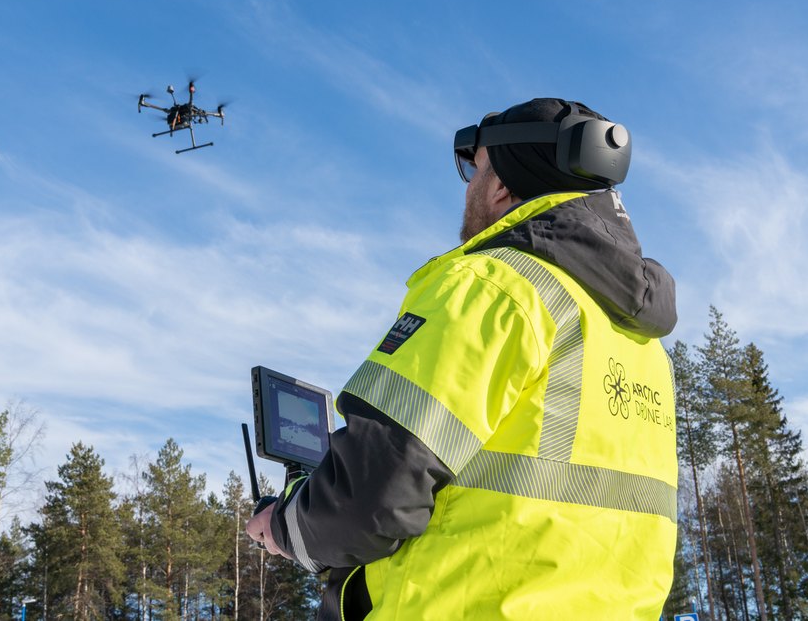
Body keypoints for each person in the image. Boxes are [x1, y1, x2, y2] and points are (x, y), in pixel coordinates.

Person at [247, 98, 679, 620]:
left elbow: (367, 499)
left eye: (474, 170)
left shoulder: (492, 287)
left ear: (500, 185)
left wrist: (283, 526)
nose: (470, 188)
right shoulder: (638, 343)